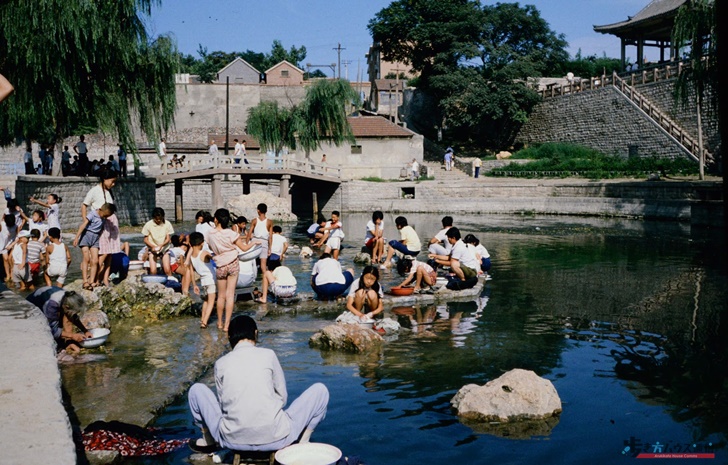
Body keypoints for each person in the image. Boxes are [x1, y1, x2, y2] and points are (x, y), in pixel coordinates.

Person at [187, 315, 329, 453]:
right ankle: (303, 441)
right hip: (277, 438)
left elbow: (224, 405)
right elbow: (282, 398)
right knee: (320, 390)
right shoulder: (269, 355)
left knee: (196, 390)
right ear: (256, 334)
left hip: (232, 440)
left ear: (229, 338)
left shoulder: (221, 363)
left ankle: (208, 440)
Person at [207, 208, 255, 332]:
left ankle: (219, 322)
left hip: (220, 265)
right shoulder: (231, 233)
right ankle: (227, 324)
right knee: (230, 295)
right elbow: (244, 248)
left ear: (216, 219)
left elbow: (210, 247)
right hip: (233, 263)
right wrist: (255, 242)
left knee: (221, 296)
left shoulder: (209, 234)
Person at [26, 287, 92, 354]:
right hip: (30, 309)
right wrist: (72, 335)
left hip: (46, 298)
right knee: (46, 330)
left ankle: (68, 342)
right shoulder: (51, 306)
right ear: (66, 307)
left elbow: (73, 316)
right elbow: (51, 330)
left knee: (67, 316)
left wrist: (85, 331)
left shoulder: (68, 297)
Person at [74, 203, 115, 290]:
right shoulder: (93, 214)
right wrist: (77, 237)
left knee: (95, 260)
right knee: (86, 258)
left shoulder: (103, 217)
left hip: (95, 237)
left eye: (107, 216)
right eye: (105, 215)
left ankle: (92, 281)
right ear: (101, 210)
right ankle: (85, 281)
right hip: (86, 235)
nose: (105, 217)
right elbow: (84, 225)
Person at [186, 232, 216, 328]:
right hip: (211, 280)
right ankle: (204, 323)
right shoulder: (204, 253)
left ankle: (202, 319)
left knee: (206, 301)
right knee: (211, 302)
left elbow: (191, 271)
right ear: (202, 243)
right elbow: (214, 258)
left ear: (190, 244)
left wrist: (194, 285)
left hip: (203, 282)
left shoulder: (191, 257)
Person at [141, 207, 174, 278]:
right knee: (153, 271)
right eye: (156, 219)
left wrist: (161, 245)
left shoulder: (167, 224)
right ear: (153, 217)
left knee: (167, 269)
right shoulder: (148, 224)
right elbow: (145, 239)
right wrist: (153, 246)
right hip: (152, 249)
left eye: (160, 219)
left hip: (164, 249)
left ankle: (171, 283)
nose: (158, 220)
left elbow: (168, 238)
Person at [247, 203, 273, 273]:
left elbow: (249, 234)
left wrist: (246, 244)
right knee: (263, 266)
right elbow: (270, 237)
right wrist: (270, 248)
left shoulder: (254, 220)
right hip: (264, 242)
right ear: (266, 211)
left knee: (251, 263)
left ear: (258, 210)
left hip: (254, 242)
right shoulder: (269, 222)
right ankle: (266, 280)